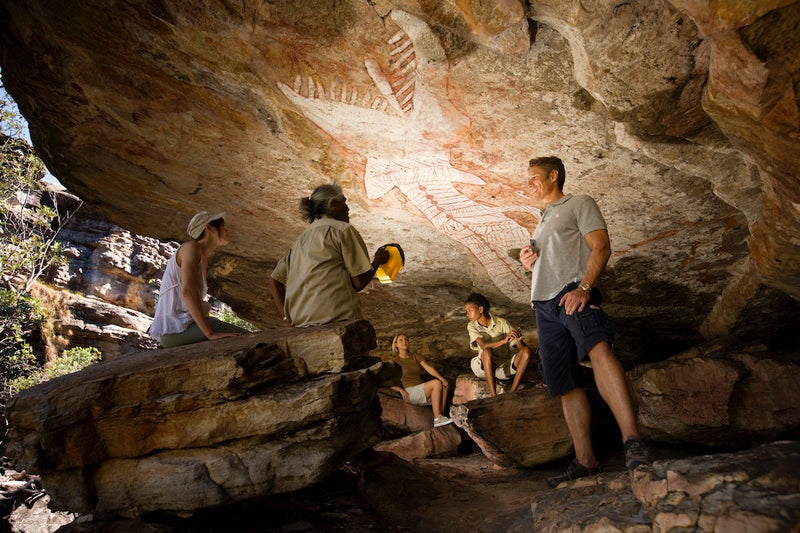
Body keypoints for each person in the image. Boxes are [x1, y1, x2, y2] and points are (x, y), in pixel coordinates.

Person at [519, 156, 652, 487]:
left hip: (571, 291)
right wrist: (529, 263)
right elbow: (547, 261)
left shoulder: (578, 203)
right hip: (544, 305)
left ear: (554, 176)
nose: (529, 183)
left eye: (535, 177)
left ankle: (634, 443)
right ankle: (585, 461)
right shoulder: (542, 220)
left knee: (598, 348)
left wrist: (584, 288)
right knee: (565, 383)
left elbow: (601, 247)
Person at [269, 184, 390, 327]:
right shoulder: (342, 230)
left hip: (300, 324)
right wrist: (378, 260)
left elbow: (274, 280)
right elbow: (358, 283)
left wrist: (286, 318)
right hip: (336, 320)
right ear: (332, 204)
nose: (348, 208)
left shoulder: (300, 241)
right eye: (343, 202)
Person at [149, 211, 248, 348]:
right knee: (250, 339)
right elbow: (188, 291)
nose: (227, 230)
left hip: (181, 329)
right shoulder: (191, 248)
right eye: (223, 226)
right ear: (209, 228)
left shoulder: (201, 255)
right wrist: (210, 334)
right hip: (175, 330)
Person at [464, 292, 533, 397]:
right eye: (466, 311)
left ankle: (512, 391)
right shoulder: (472, 326)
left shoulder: (502, 323)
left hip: (502, 368)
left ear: (480, 310)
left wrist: (519, 341)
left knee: (527, 351)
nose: (467, 314)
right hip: (483, 367)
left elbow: (519, 347)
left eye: (469, 310)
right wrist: (503, 341)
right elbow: (483, 346)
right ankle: (493, 394)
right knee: (487, 351)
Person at [389, 334, 453, 427]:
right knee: (436, 383)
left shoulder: (415, 356)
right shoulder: (395, 362)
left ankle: (440, 416)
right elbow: (387, 382)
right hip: (410, 392)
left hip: (421, 389)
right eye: (401, 340)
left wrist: (441, 378)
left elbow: (429, 368)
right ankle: (437, 418)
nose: (404, 342)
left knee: (444, 385)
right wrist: (401, 390)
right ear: (396, 345)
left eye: (406, 339)